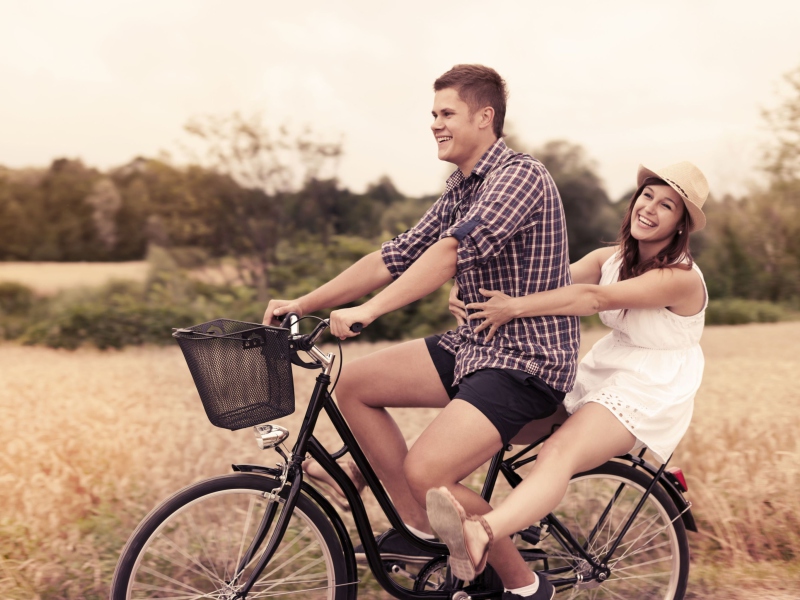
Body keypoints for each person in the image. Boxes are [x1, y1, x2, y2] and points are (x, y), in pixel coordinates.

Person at [263, 64, 580, 572]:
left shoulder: (520, 176)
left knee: (429, 471)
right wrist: (304, 302)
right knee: (355, 383)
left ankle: (523, 585)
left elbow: (451, 253)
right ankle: (420, 530)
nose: (435, 123)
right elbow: (396, 255)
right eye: (433, 113)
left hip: (526, 361)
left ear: (485, 117)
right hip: (475, 347)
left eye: (447, 113)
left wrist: (368, 311)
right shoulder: (461, 186)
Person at [427, 161, 710, 599]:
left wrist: (513, 309)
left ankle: (484, 531)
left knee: (560, 450)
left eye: (667, 205)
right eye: (647, 196)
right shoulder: (609, 260)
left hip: (648, 386)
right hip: (605, 366)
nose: (650, 208)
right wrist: (469, 285)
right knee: (500, 416)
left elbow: (592, 298)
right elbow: (537, 280)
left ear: (680, 226)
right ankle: (512, 513)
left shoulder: (681, 278)